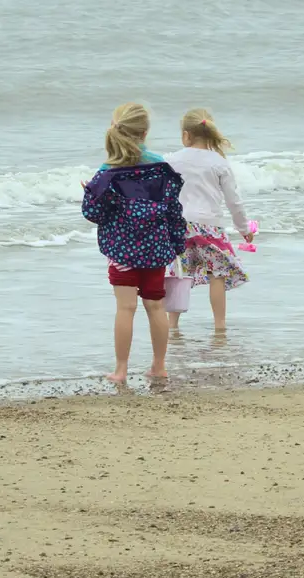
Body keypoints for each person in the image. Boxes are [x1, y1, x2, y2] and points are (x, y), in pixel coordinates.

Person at [81, 102, 186, 383]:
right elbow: (175, 210)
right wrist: (178, 245)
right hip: (156, 250)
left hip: (122, 252)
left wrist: (90, 195)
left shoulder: (107, 171)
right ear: (145, 132)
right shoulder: (162, 168)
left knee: (125, 309)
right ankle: (159, 365)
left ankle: (121, 370)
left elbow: (93, 214)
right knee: (156, 307)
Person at [164, 108, 254, 333]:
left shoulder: (172, 160)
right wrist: (244, 228)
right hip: (210, 226)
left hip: (179, 225)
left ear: (186, 135)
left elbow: (162, 193)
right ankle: (220, 326)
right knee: (218, 274)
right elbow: (234, 200)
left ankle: (172, 325)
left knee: (178, 273)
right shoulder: (219, 162)